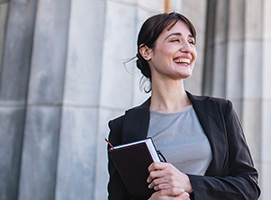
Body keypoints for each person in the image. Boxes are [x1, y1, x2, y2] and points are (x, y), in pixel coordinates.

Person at [107, 12, 260, 200]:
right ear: (146, 51)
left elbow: (249, 187)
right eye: (175, 40)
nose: (188, 49)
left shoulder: (220, 112)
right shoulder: (123, 128)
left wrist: (189, 183)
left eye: (191, 41)